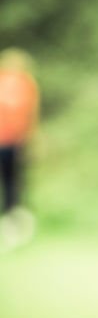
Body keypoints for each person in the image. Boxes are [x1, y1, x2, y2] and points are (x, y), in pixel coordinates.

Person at [0, 49, 40, 248]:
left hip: (14, 143)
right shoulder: (21, 83)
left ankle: (13, 226)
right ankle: (12, 224)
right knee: (12, 185)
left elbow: (30, 116)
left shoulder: (27, 84)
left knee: (12, 185)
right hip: (10, 142)